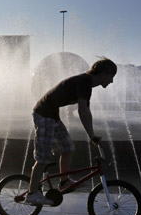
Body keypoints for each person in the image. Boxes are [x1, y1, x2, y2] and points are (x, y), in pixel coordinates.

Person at [25, 57, 117, 205]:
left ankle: (64, 182)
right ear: (103, 74)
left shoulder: (86, 84)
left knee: (68, 148)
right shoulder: (84, 82)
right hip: (43, 115)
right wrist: (91, 135)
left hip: (52, 116)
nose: (112, 81)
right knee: (42, 158)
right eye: (111, 76)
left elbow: (86, 110)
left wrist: (92, 133)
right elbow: (82, 110)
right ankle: (32, 194)